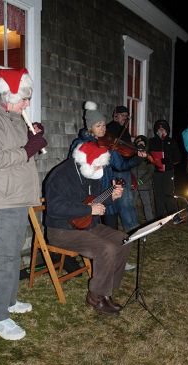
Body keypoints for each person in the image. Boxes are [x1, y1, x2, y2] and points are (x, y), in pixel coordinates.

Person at [0, 68, 47, 340]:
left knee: (13, 254)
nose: (27, 104)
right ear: (8, 95)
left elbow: (22, 157)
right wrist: (29, 148)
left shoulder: (14, 118)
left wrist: (33, 139)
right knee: (3, 257)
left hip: (14, 196)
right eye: (24, 98)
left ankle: (9, 301)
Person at [45, 141, 132, 316]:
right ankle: (96, 297)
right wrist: (89, 210)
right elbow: (55, 207)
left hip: (87, 225)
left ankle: (107, 290)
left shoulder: (90, 171)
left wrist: (111, 196)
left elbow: (93, 200)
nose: (100, 169)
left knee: (123, 240)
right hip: (62, 230)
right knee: (106, 249)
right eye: (97, 165)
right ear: (85, 161)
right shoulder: (61, 175)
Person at [69, 101, 146, 271]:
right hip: (88, 193)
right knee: (89, 226)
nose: (103, 128)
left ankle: (118, 261)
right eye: (99, 125)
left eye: (104, 124)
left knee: (112, 227)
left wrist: (138, 158)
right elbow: (72, 168)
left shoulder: (108, 145)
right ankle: (88, 259)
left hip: (106, 191)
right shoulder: (79, 144)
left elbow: (120, 165)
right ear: (90, 127)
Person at [106, 106, 140, 232]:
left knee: (127, 199)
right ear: (115, 115)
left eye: (126, 116)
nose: (124, 118)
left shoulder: (124, 130)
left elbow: (127, 148)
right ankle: (132, 228)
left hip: (124, 167)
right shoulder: (109, 128)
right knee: (125, 199)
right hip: (116, 169)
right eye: (122, 115)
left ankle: (133, 226)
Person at [148, 119, 182, 223]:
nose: (161, 130)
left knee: (169, 194)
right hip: (157, 172)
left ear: (167, 129)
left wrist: (168, 160)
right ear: (156, 130)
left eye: (163, 128)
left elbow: (178, 158)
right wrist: (152, 160)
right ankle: (160, 218)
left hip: (168, 172)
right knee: (158, 195)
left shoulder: (171, 141)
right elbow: (147, 156)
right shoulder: (152, 141)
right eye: (159, 128)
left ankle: (175, 216)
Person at [131, 135, 155, 222]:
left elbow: (151, 171)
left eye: (142, 143)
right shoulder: (133, 155)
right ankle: (133, 222)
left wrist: (141, 181)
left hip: (144, 185)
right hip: (133, 184)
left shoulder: (148, 156)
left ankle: (150, 222)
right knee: (132, 204)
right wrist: (132, 180)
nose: (140, 145)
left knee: (147, 204)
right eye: (139, 143)